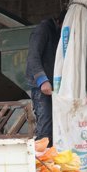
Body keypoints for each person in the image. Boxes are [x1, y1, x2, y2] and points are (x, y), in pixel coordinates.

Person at [25, 10, 66, 145]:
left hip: (54, 84)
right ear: (60, 22)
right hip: (41, 86)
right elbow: (33, 57)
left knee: (57, 126)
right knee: (46, 126)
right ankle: (42, 163)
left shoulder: (57, 32)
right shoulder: (43, 30)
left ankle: (52, 161)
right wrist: (42, 80)